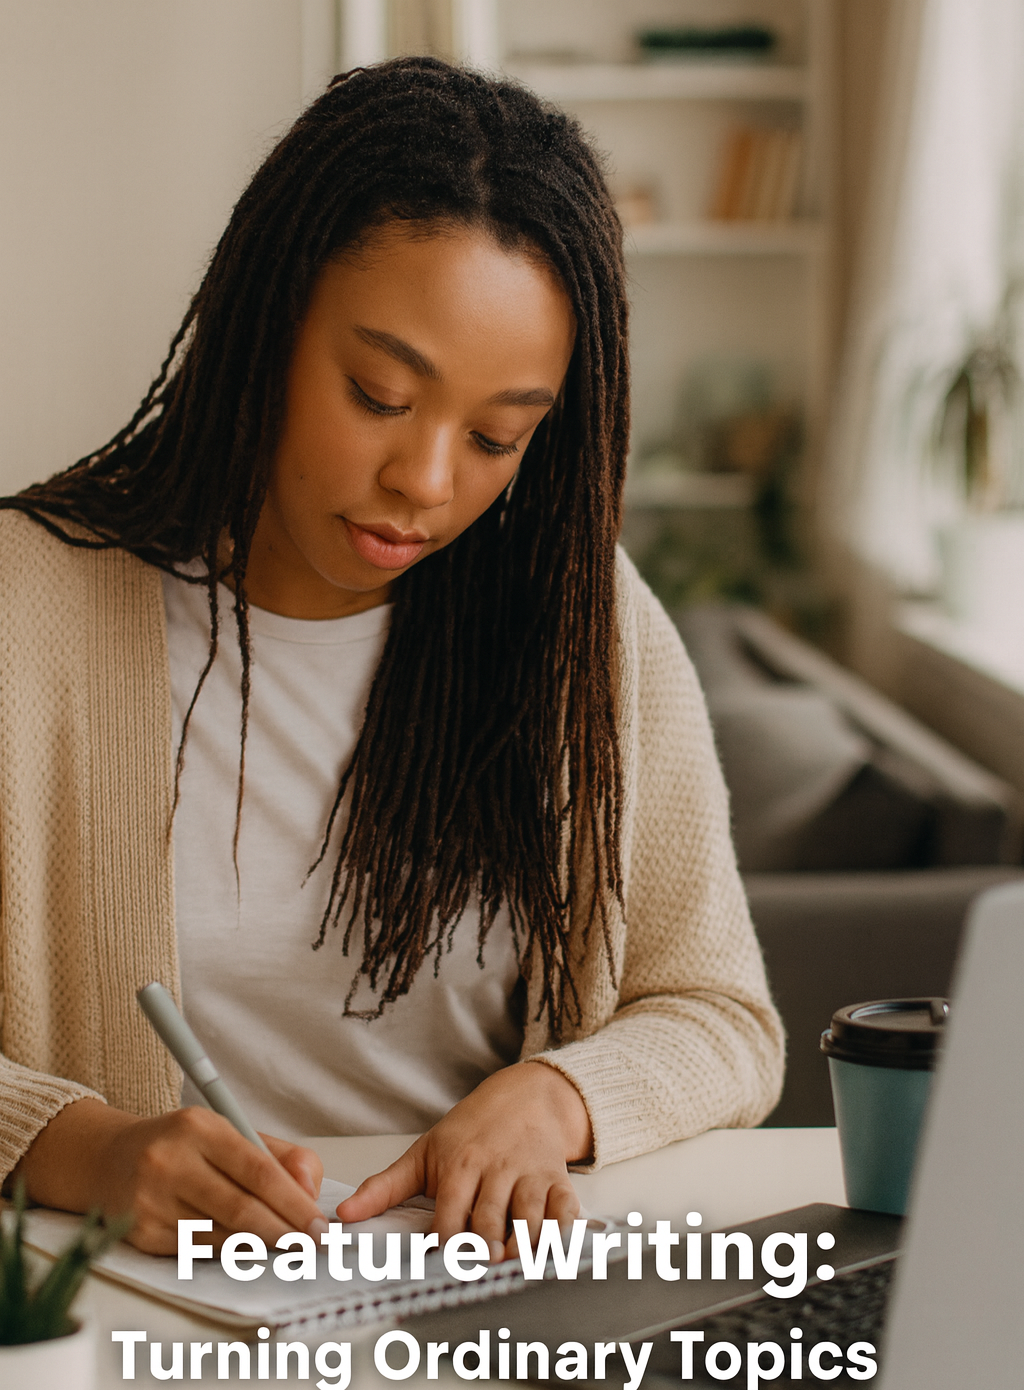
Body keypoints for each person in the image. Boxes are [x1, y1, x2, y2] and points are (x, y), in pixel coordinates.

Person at [0, 57, 783, 1259]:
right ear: (266, 322)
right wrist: (84, 1148)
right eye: (377, 395)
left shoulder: (583, 626)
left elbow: (720, 1015)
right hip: (137, 1313)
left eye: (496, 437)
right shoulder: (26, 607)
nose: (424, 481)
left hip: (484, 1301)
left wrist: (557, 1098)